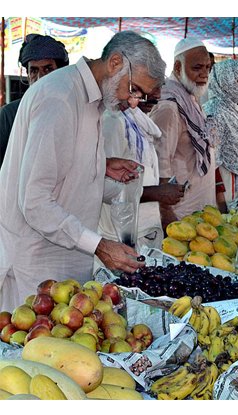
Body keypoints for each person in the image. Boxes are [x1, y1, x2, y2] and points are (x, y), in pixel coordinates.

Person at [0, 31, 166, 311]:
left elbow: (63, 171)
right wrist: (99, 245)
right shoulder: (60, 98)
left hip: (65, 262)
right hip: (37, 264)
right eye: (134, 88)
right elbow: (35, 201)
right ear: (115, 63)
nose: (135, 100)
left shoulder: (94, 100)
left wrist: (100, 163)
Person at [98, 85, 186, 251]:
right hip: (121, 237)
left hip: (144, 229)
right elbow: (103, 188)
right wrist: (157, 193)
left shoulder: (140, 121)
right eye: (150, 85)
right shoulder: (113, 121)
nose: (157, 94)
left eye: (160, 86)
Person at [150, 38, 219, 228]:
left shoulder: (189, 96)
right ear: (178, 67)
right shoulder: (169, 105)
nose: (204, 74)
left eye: (208, 67)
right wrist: (165, 212)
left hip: (198, 207)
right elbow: (159, 160)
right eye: (197, 68)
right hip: (179, 214)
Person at [0, 34, 69, 169]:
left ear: (61, 72)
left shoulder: (72, 109)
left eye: (48, 69)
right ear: (27, 74)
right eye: (34, 70)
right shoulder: (9, 114)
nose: (40, 78)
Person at [204, 59, 238, 202]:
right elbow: (213, 157)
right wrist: (220, 194)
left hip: (233, 177)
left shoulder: (231, 107)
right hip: (223, 178)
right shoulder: (214, 110)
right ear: (225, 81)